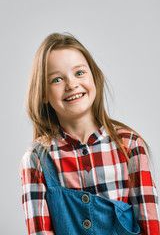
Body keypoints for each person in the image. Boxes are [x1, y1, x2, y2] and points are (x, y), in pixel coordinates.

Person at [20, 32, 160, 235]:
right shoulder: (37, 159)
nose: (71, 85)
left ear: (94, 76)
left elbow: (150, 226)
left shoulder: (129, 145)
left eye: (79, 73)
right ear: (43, 93)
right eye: (57, 79)